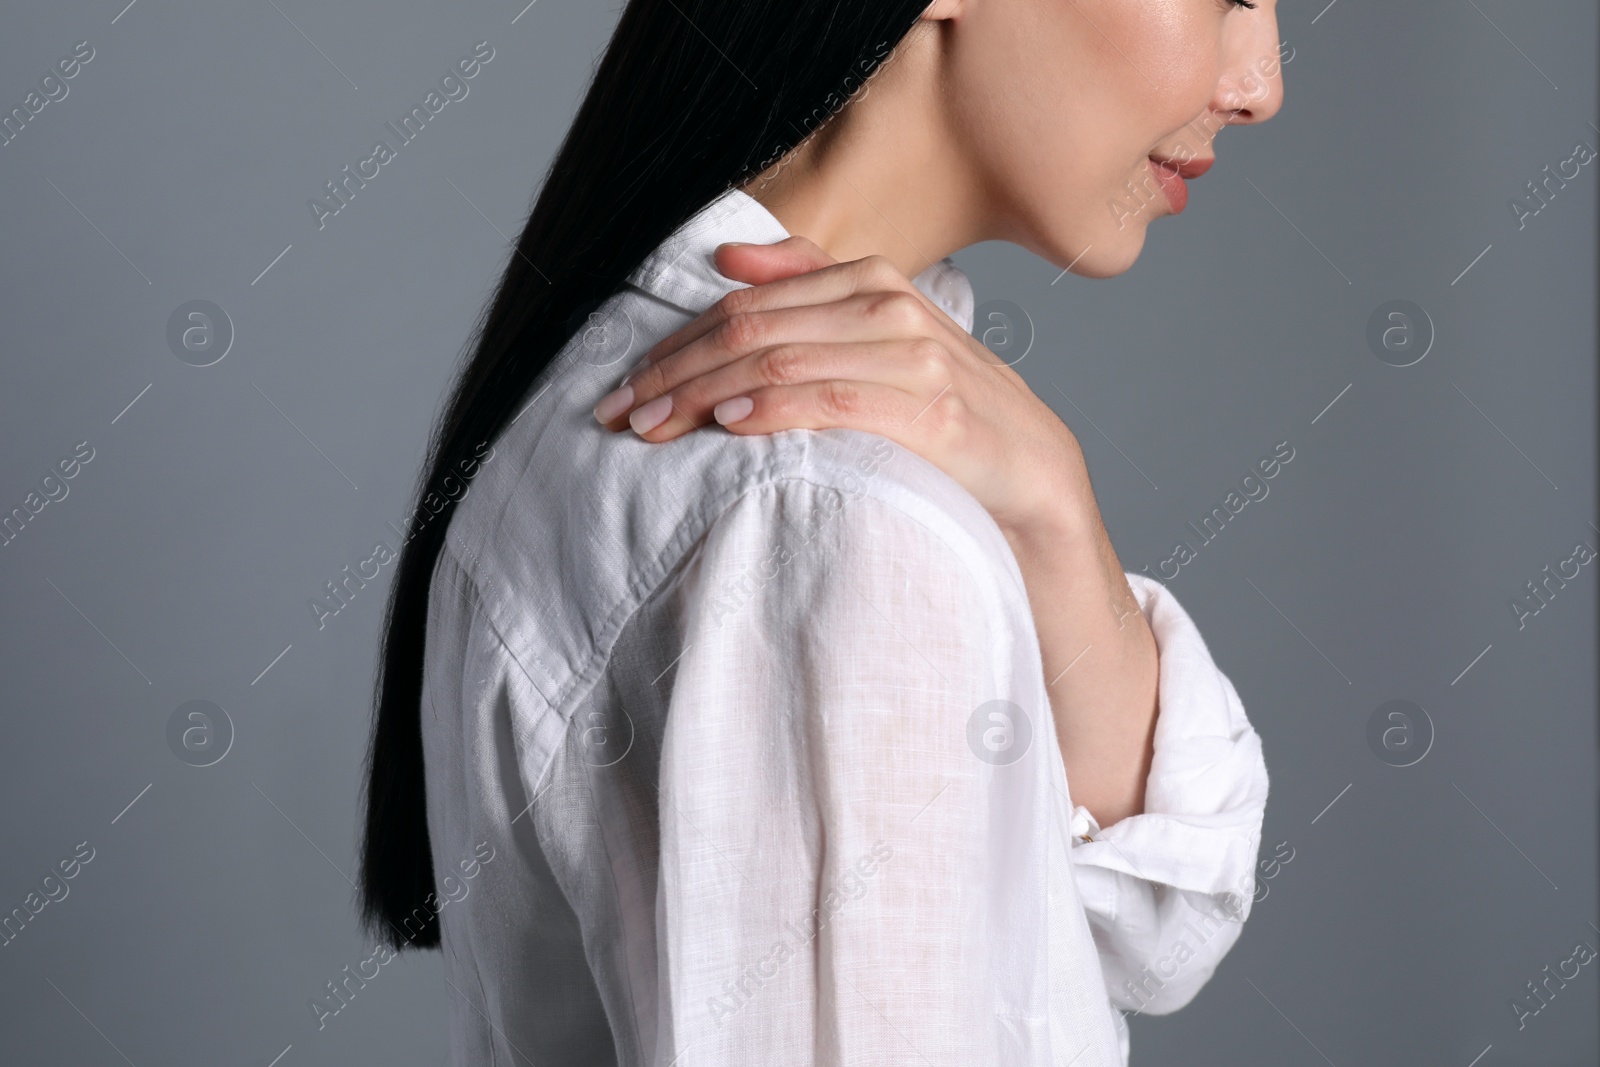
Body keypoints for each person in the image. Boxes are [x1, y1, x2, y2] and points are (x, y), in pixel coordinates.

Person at [359, 1, 1282, 1063]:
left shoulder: (622, 365)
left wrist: (1055, 516)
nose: (1260, 86)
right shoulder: (834, 521)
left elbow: (1156, 929)